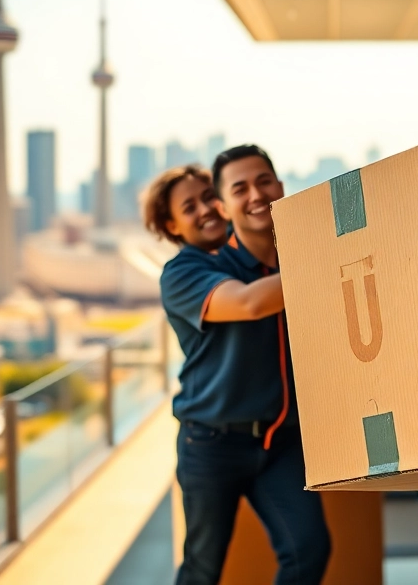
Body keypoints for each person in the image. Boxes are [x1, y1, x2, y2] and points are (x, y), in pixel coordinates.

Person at [148, 153, 331, 585]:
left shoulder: (288, 253)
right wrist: (331, 259)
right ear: (172, 226)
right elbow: (249, 302)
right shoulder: (185, 271)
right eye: (189, 207)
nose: (206, 210)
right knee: (203, 569)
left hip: (280, 441)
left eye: (208, 197)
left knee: (309, 551)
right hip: (211, 443)